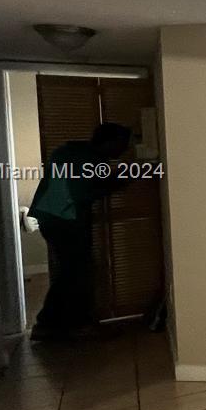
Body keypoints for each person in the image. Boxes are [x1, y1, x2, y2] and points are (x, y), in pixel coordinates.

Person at [27, 122, 131, 340]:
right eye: (122, 144)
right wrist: (121, 179)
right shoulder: (87, 158)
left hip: (53, 217)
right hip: (63, 219)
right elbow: (84, 191)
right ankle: (62, 324)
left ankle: (55, 324)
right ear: (109, 142)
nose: (124, 149)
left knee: (71, 272)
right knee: (75, 273)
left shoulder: (71, 151)